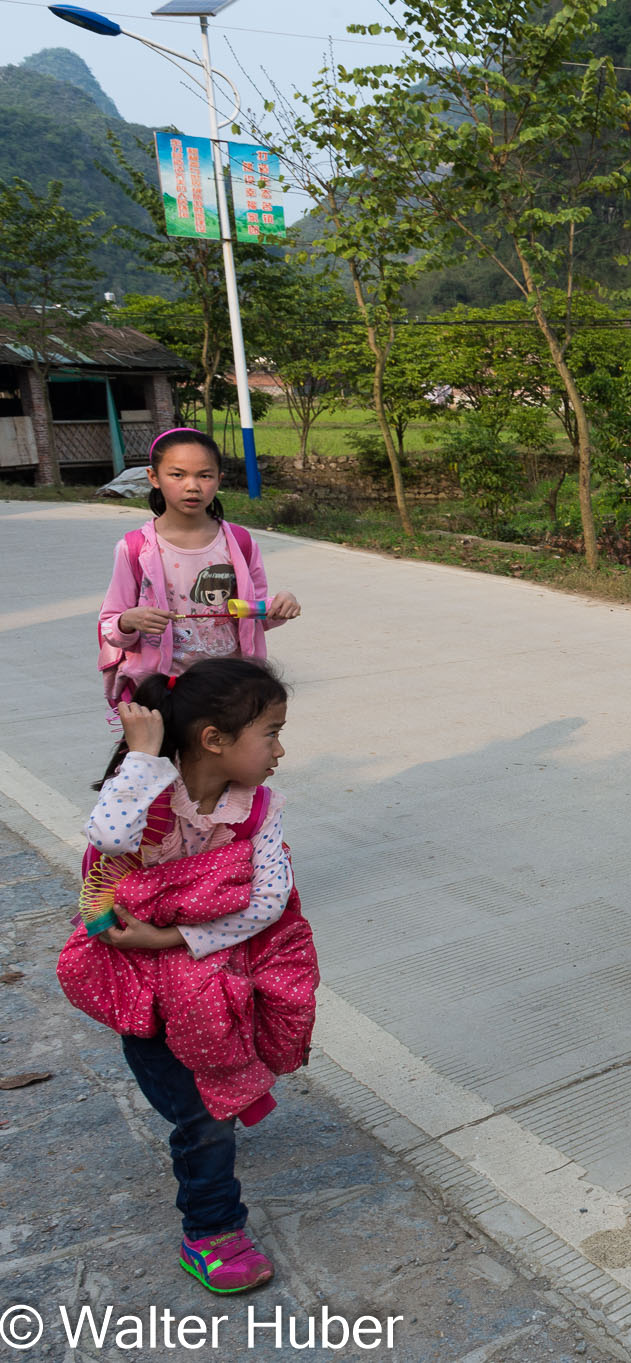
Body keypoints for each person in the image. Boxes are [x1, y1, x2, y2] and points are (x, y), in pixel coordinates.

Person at [59, 657, 317, 1295]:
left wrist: (172, 937)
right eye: (272, 733)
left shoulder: (256, 810)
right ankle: (211, 1231)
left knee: (209, 1104)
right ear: (214, 739)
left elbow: (267, 901)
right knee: (201, 1114)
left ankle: (214, 1146)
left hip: (211, 977)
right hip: (143, 988)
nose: (280, 750)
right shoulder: (143, 798)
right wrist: (143, 756)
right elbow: (106, 837)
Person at [97, 429, 302, 710]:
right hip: (166, 692)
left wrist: (280, 605)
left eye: (204, 476)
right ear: (154, 477)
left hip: (230, 689)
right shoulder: (134, 549)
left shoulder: (240, 543)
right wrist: (129, 620)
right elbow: (110, 625)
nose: (192, 486)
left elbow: (254, 615)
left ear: (219, 479)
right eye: (177, 475)